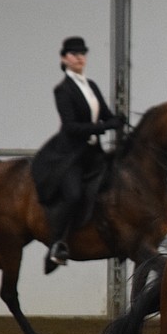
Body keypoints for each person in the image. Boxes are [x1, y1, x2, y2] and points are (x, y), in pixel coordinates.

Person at [32, 36, 125, 274]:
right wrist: (104, 127)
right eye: (74, 54)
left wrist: (116, 120)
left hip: (93, 153)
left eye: (83, 53)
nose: (80, 57)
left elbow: (104, 113)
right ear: (64, 59)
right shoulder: (62, 90)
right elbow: (71, 126)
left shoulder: (90, 86)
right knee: (73, 195)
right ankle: (57, 244)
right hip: (70, 155)